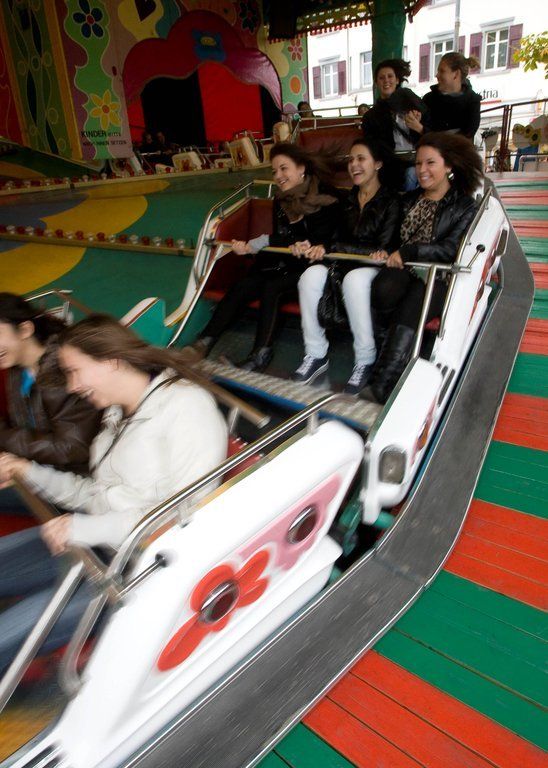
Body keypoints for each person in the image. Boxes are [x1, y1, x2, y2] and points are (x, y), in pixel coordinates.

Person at [0, 314, 227, 670]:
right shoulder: (116, 415)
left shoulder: (186, 406)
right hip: (93, 547)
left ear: (111, 360)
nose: (72, 386)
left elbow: (183, 517)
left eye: (74, 372)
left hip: (133, 573)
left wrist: (82, 528)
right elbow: (92, 495)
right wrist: (28, 471)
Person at [183, 143, 341, 372]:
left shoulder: (327, 198)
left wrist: (283, 242)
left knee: (272, 288)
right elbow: (282, 238)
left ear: (301, 169)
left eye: (284, 169)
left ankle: (259, 355)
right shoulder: (281, 200)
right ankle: (203, 342)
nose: (278, 176)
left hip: (316, 267)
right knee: (244, 285)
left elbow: (325, 239)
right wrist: (251, 247)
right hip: (288, 261)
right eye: (274, 171)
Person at [360, 132, 483, 405]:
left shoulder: (464, 206)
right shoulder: (408, 199)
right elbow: (393, 239)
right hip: (405, 268)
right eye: (418, 163)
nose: (422, 170)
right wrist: (386, 250)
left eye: (430, 163)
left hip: (438, 275)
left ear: (448, 166)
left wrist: (411, 251)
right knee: (383, 288)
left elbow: (451, 248)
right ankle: (386, 360)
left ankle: (382, 383)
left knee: (415, 300)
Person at [292, 138, 401, 393]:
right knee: (310, 276)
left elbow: (383, 248)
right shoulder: (348, 200)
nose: (354, 165)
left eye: (361, 159)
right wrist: (323, 247)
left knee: (354, 281)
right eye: (351, 160)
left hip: (375, 267)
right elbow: (334, 238)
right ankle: (315, 353)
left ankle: (365, 359)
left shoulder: (391, 201)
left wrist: (338, 249)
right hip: (344, 262)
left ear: (377, 164)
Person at [0, 294, 101, 515]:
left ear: (25, 330)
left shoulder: (62, 372)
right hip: (40, 470)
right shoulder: (17, 369)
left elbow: (72, 448)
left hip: (77, 483)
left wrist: (7, 442)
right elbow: (25, 429)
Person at [361, 59, 424, 190]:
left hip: (420, 158)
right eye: (381, 78)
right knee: (411, 174)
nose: (386, 81)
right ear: (376, 83)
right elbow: (373, 148)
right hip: (392, 166)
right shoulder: (371, 117)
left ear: (397, 80)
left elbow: (432, 133)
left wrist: (419, 128)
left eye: (390, 76)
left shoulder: (412, 104)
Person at [406, 52, 481, 140]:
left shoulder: (472, 102)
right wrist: (414, 122)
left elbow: (462, 140)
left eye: (442, 71)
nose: (437, 75)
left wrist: (421, 129)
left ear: (456, 74)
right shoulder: (429, 99)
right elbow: (415, 139)